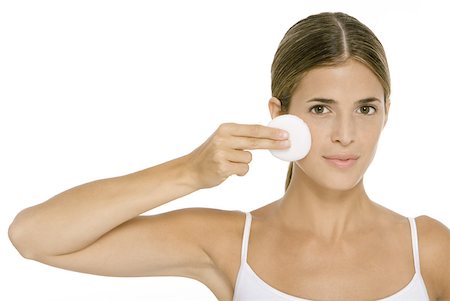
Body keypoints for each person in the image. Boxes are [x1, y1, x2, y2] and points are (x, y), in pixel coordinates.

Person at [8, 12, 450, 301]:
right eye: (320, 109)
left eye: (366, 109)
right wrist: (189, 172)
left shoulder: (428, 248)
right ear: (280, 116)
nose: (346, 135)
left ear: (387, 114)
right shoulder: (227, 241)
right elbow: (34, 236)